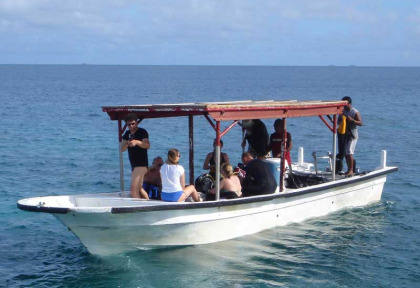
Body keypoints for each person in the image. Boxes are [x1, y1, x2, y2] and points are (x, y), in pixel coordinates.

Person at [121, 113, 150, 199]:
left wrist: (137, 142)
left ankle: (140, 209)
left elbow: (147, 145)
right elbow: (122, 149)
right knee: (140, 189)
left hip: (141, 164)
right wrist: (127, 143)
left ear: (136, 123)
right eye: (129, 124)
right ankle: (148, 204)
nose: (131, 126)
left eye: (133, 124)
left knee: (133, 191)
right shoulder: (127, 134)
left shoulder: (142, 132)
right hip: (134, 165)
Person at [341, 96, 362, 177]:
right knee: (346, 152)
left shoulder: (355, 112)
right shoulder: (344, 111)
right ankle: (348, 169)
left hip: (353, 135)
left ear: (349, 104)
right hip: (346, 135)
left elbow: (360, 123)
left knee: (349, 152)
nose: (343, 106)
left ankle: (351, 170)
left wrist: (352, 120)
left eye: (344, 104)